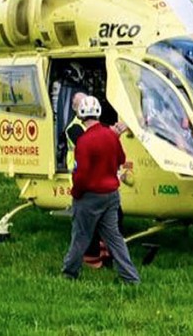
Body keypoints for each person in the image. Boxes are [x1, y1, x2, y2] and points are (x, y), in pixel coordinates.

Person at [62, 95, 140, 284]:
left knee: (80, 236)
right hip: (111, 196)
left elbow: (81, 175)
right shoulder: (111, 136)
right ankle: (131, 278)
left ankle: (69, 273)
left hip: (90, 196)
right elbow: (121, 158)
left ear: (81, 115)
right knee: (115, 238)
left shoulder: (84, 141)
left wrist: (76, 194)